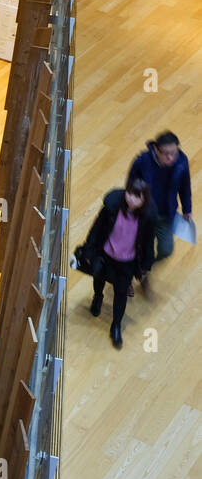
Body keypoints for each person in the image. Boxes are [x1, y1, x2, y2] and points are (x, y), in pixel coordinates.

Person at [78, 179, 157, 349]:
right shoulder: (112, 206)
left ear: (144, 200)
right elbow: (96, 229)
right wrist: (89, 250)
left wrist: (145, 266)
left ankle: (116, 325)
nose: (131, 199)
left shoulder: (147, 219)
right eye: (129, 193)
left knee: (121, 293)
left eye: (137, 197)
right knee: (98, 279)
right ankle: (97, 297)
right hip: (106, 255)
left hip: (127, 262)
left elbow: (148, 243)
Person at [126, 131, 192, 281]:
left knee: (166, 250)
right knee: (138, 248)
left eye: (174, 153)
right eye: (166, 154)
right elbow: (130, 187)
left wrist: (187, 209)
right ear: (156, 149)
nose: (171, 158)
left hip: (165, 215)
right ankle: (137, 273)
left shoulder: (181, 161)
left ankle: (145, 267)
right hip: (143, 215)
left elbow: (185, 186)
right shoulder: (142, 162)